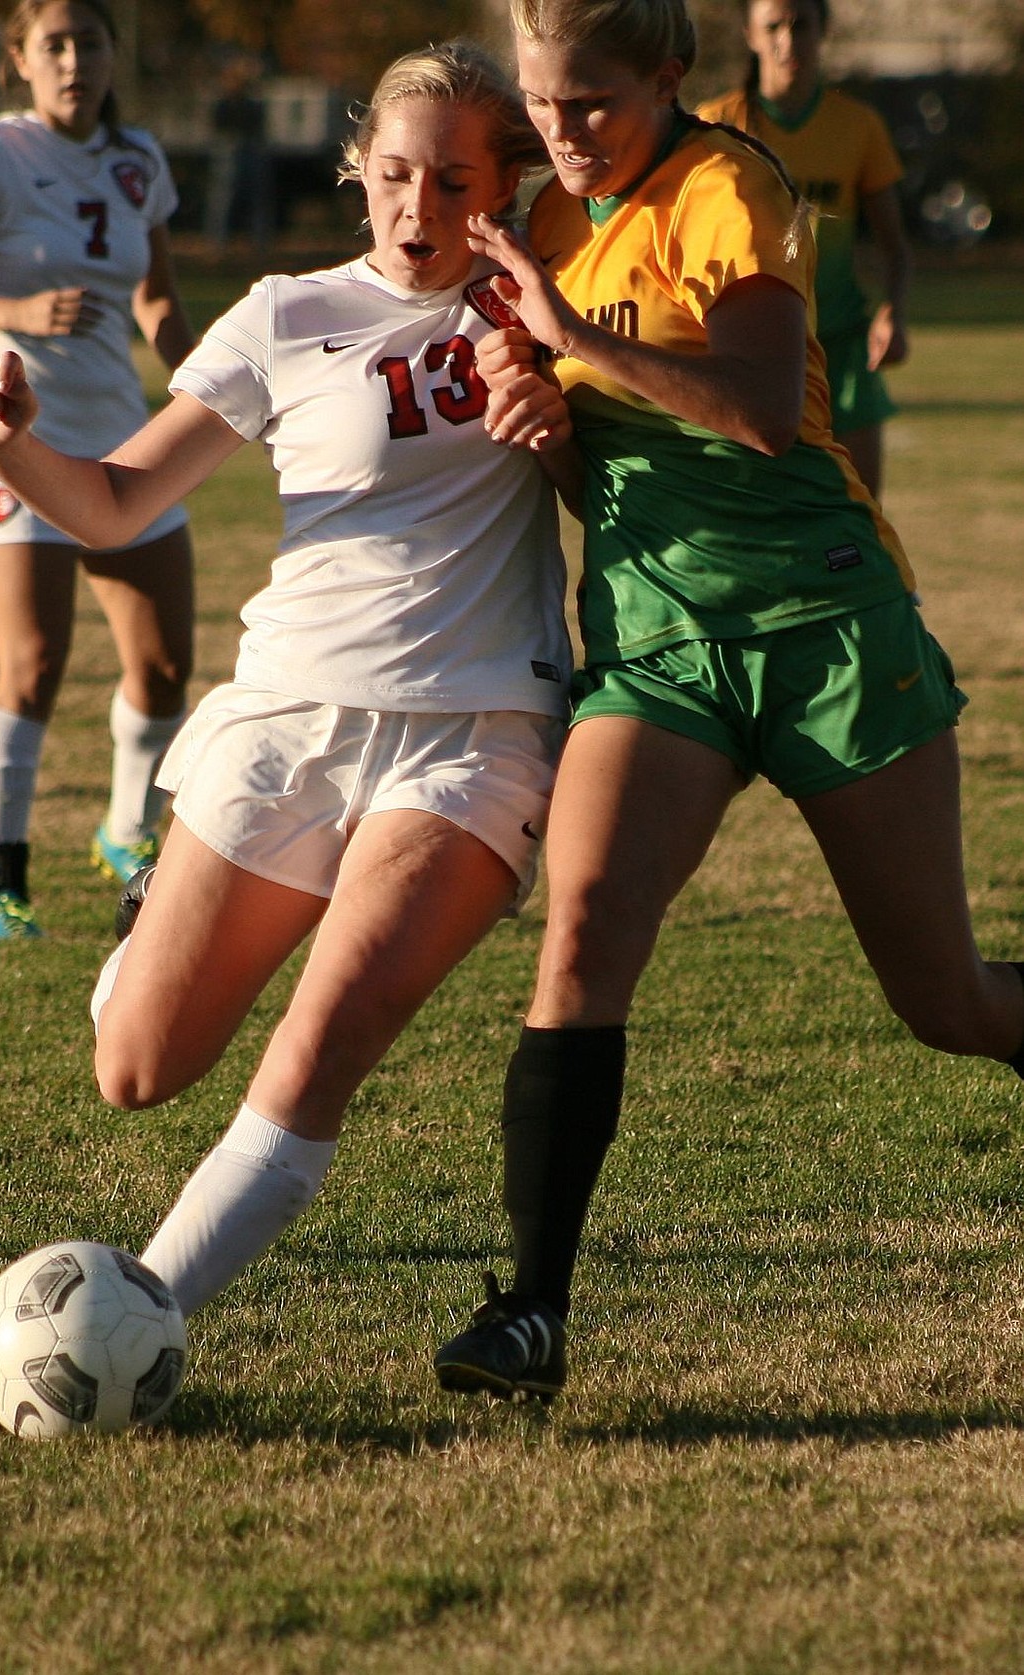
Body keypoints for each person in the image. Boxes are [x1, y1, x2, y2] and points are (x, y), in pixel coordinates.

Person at [431, 0, 1024, 1405]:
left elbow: (759, 406)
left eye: (589, 104)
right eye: (541, 104)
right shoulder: (545, 224)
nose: (562, 136)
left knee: (941, 999)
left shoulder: (725, 184)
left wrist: (570, 330)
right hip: (658, 646)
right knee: (576, 938)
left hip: (827, 628)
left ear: (666, 76)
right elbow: (593, 467)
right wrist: (546, 421)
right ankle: (533, 1310)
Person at [0, 41, 573, 1327]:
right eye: (395, 175)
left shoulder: (544, 313)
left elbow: (622, 496)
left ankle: (136, 1323)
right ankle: (147, 903)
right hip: (287, 717)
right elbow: (119, 503)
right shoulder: (288, 314)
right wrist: (15, 442)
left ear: (500, 188)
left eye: (454, 183)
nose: (419, 209)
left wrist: (558, 417)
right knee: (138, 1067)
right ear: (358, 172)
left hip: (476, 734)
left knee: (316, 1049)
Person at [0, 0, 196, 940]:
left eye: (90, 42)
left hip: (120, 443)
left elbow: (155, 294)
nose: (73, 61)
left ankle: (122, 828)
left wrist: (207, 382)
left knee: (163, 666)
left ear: (114, 54)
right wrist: (20, 314)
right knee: (32, 663)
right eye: (52, 46)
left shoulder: (139, 157)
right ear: (18, 61)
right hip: (14, 441)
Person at [696, 0, 911, 499]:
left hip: (841, 344)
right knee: (762, 516)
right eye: (773, 26)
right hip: (756, 350)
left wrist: (892, 313)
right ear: (750, 34)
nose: (788, 41)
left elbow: (896, 248)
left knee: (858, 515)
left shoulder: (858, 126)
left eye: (801, 25)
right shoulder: (716, 127)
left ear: (822, 30)